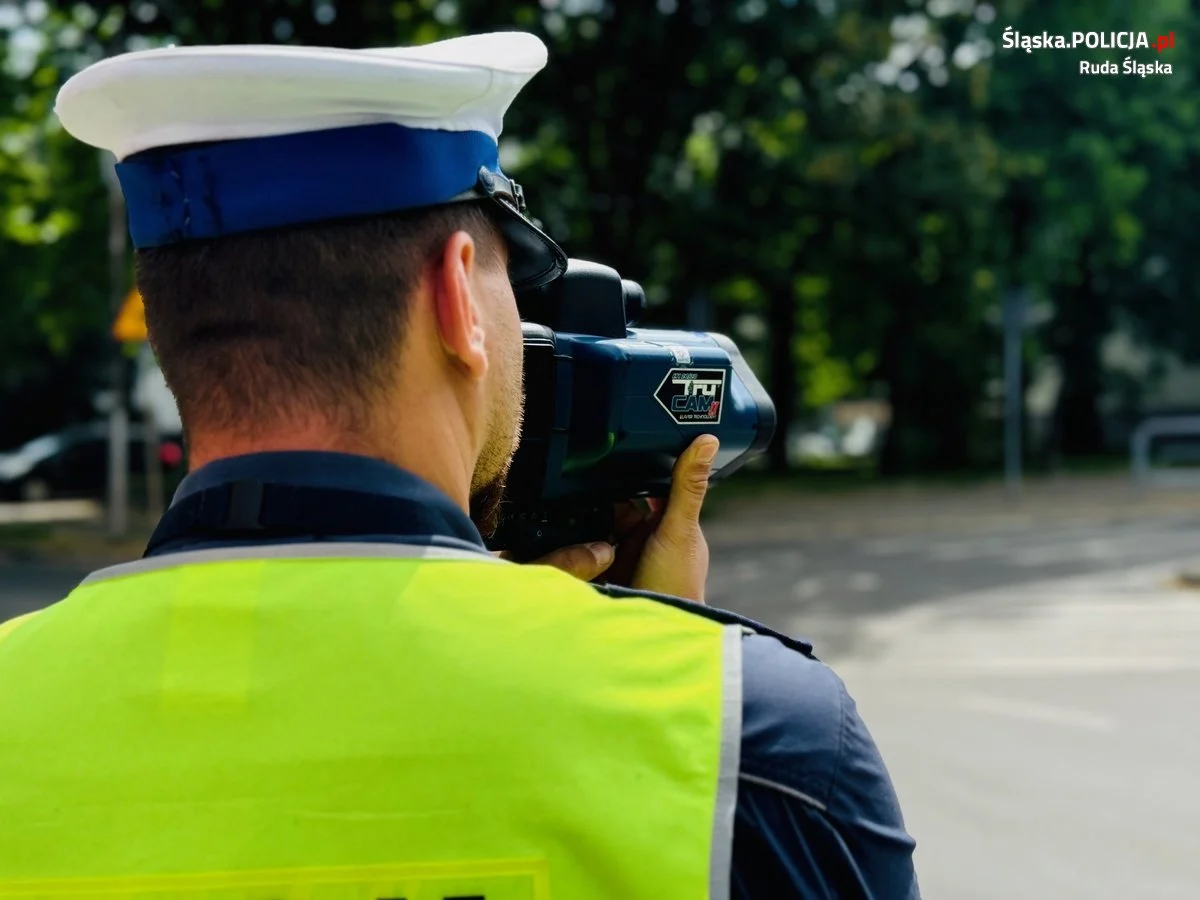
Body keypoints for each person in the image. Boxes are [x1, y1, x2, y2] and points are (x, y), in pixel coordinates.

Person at [0, 33, 919, 899]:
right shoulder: (748, 734)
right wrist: (653, 657)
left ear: (173, 326)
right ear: (458, 298)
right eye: (515, 280)